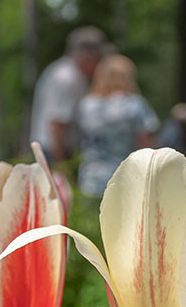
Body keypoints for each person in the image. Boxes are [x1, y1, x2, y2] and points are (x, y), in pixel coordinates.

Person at [76, 54, 159, 196]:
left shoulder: (87, 105)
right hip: (126, 180)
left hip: (91, 179)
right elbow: (147, 146)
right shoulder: (135, 105)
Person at [30, 26, 107, 163]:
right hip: (54, 151)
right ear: (89, 57)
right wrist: (62, 164)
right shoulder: (66, 79)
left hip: (55, 149)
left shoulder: (71, 74)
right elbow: (57, 123)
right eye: (98, 59)